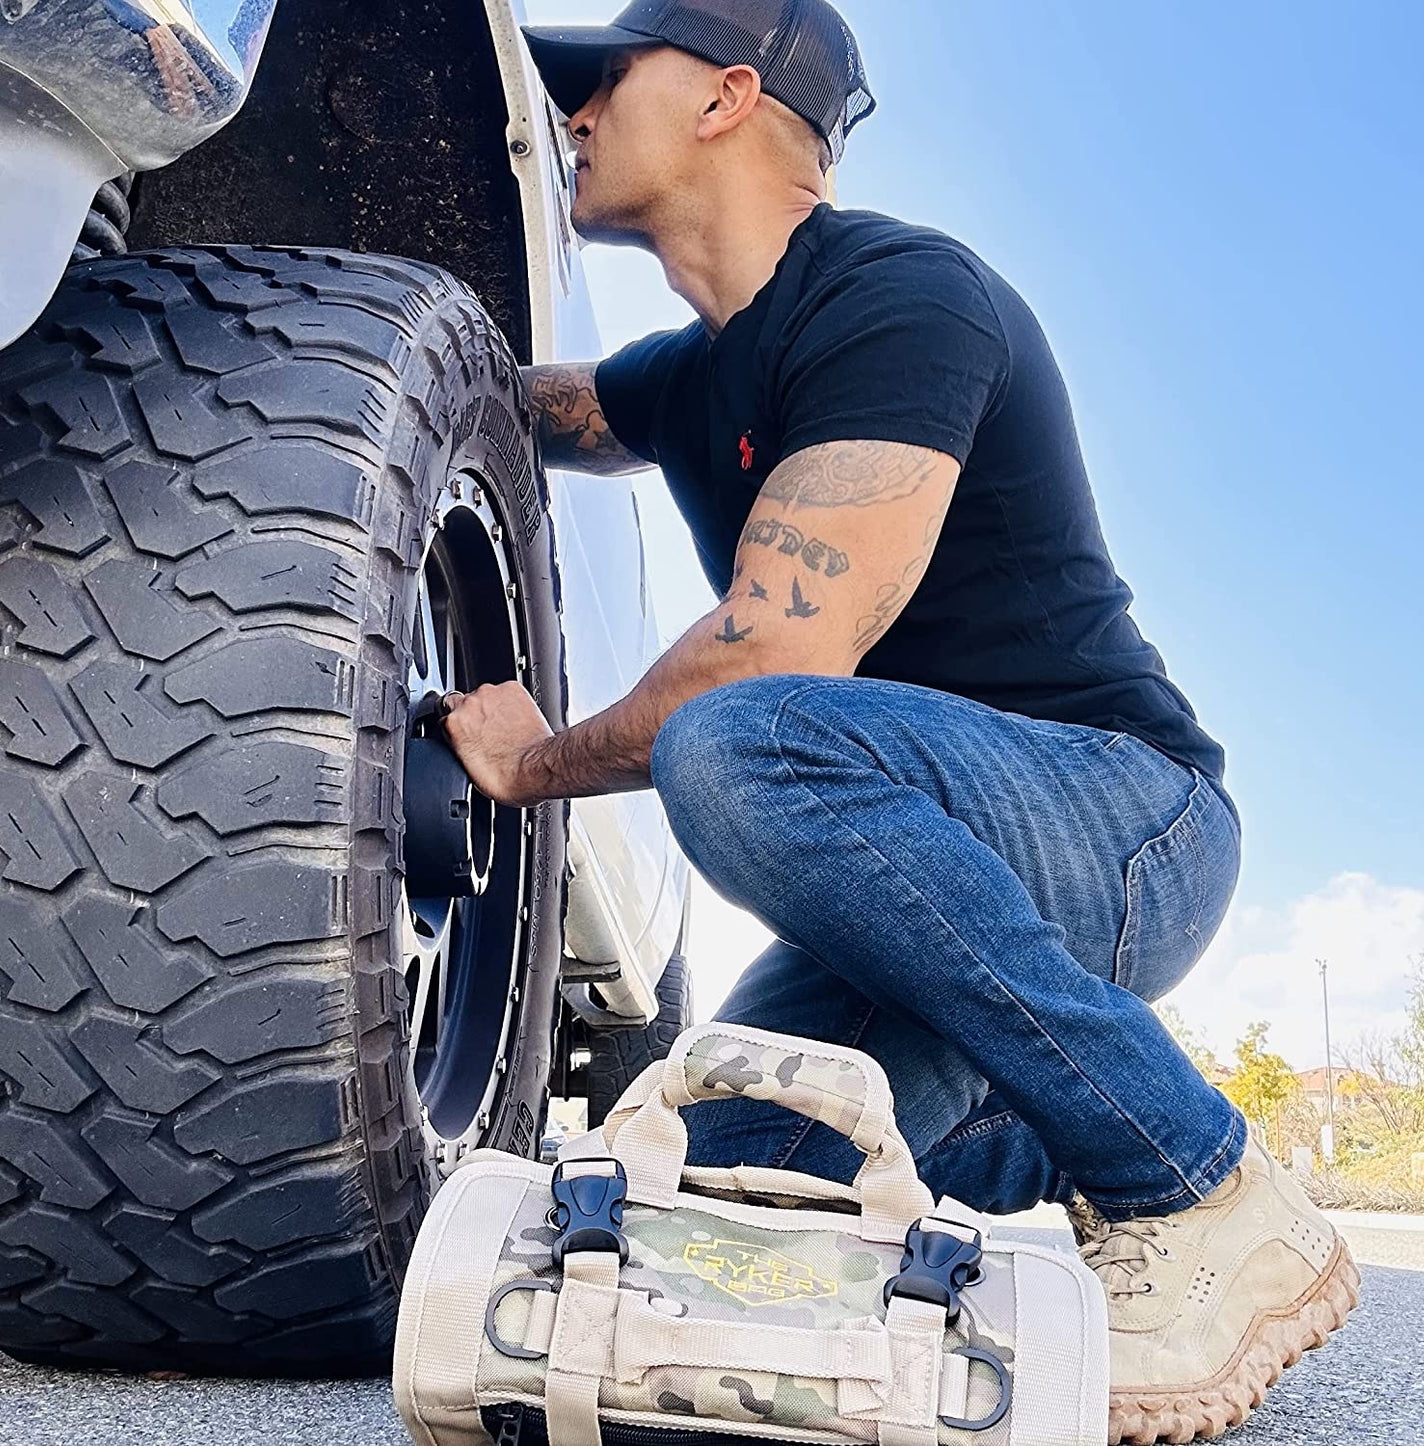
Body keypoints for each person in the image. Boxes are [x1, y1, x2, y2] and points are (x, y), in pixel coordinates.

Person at [438, 2, 1359, 1439]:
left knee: (735, 741)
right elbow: (536, 406)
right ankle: (1042, 1145)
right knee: (729, 1180)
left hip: (1128, 822)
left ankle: (1194, 1186)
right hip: (935, 869)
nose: (573, 113)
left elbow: (766, 658)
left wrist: (529, 762)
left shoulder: (900, 296)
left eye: (604, 77)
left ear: (726, 97)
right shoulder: (688, 376)